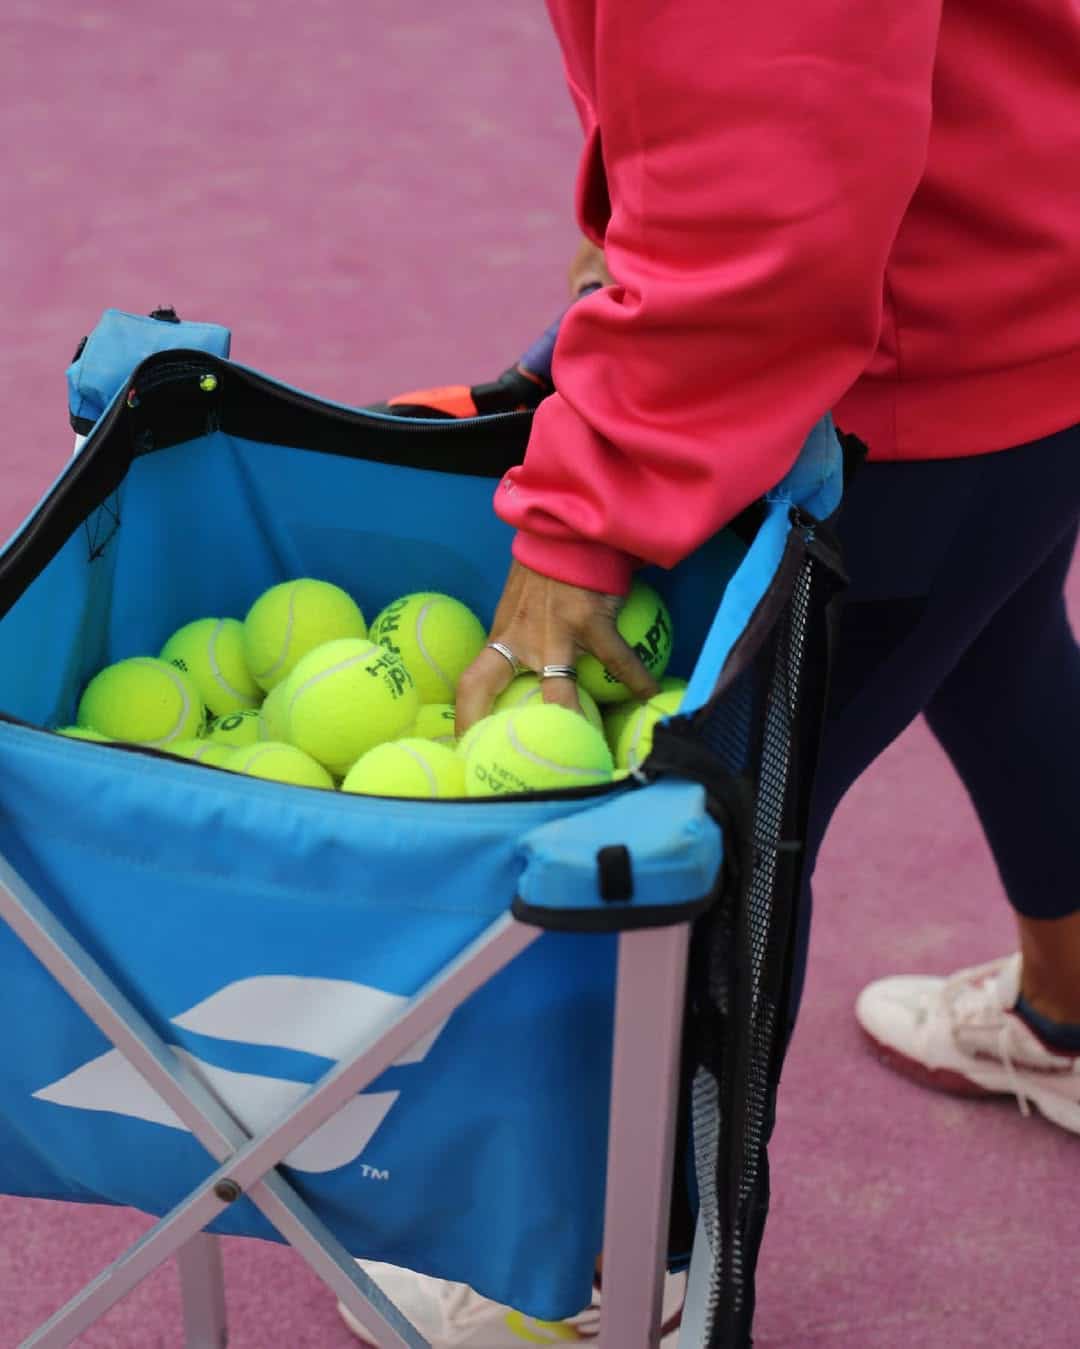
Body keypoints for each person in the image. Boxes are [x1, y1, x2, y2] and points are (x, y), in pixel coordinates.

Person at [343, 0, 1080, 1343]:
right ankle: (1075, 1012)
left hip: (886, 394)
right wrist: (600, 299)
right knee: (1001, 635)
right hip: (1024, 274)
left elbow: (778, 201)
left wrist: (581, 523)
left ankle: (610, 1288)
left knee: (714, 843)